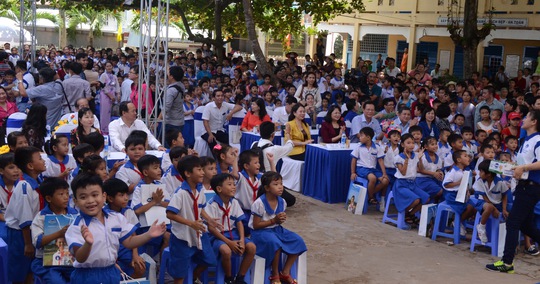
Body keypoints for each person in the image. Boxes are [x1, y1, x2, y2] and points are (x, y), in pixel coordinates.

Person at [65, 173, 166, 283]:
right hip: (87, 276)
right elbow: (80, 257)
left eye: (94, 195)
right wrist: (88, 244)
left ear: (103, 196)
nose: (90, 201)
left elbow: (129, 241)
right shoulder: (76, 226)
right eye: (83, 197)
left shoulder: (116, 218)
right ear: (75, 201)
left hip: (111, 271)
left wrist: (148, 235)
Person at [486, 109, 540, 273]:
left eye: (527, 116)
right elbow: (523, 165)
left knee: (513, 222)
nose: (523, 119)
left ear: (534, 121)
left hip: (531, 186)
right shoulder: (526, 140)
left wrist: (523, 167)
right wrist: (511, 170)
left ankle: (507, 262)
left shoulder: (538, 139)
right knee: (525, 224)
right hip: (524, 184)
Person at [165, 155, 220, 284]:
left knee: (210, 260)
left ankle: (194, 278)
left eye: (202, 169)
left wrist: (209, 220)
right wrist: (191, 223)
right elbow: (170, 214)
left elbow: (200, 208)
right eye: (199, 170)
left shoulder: (199, 190)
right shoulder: (180, 193)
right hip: (182, 237)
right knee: (180, 273)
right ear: (188, 173)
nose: (203, 173)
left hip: (199, 234)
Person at [249, 171, 307, 284]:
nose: (280, 187)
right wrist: (273, 220)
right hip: (261, 232)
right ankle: (275, 274)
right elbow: (256, 225)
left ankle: (285, 272)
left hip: (276, 230)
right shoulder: (259, 203)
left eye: (281, 183)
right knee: (275, 243)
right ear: (267, 188)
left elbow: (278, 221)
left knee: (298, 241)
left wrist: (280, 219)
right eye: (276, 184)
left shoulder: (282, 202)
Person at [4, 146, 46, 283]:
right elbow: (25, 217)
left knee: (30, 269)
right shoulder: (24, 186)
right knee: (20, 269)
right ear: (30, 165)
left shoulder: (38, 181)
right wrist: (28, 243)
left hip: (31, 232)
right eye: (40, 158)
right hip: (21, 234)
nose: (43, 160)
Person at [207, 173, 256, 284]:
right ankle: (228, 278)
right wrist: (229, 242)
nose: (234, 187)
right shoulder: (212, 205)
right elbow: (212, 229)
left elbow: (239, 222)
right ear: (219, 189)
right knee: (226, 251)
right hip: (217, 237)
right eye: (229, 184)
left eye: (234, 184)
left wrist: (242, 240)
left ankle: (240, 277)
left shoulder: (234, 202)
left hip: (234, 234)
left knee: (251, 247)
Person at [30, 178, 77, 283]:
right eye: (61, 194)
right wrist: (59, 233)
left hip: (71, 261)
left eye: (66, 193)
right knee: (56, 281)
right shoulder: (41, 217)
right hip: (47, 263)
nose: (66, 197)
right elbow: (37, 242)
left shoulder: (74, 214)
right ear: (49, 198)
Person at [103, 178, 145, 278]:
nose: (126, 198)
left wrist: (135, 255)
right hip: (109, 248)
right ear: (110, 198)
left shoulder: (128, 211)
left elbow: (133, 235)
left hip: (126, 247)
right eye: (121, 195)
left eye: (126, 194)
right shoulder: (103, 213)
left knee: (140, 267)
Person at [131, 155, 170, 256]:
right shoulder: (139, 188)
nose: (159, 170)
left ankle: (162, 266)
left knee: (169, 236)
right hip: (145, 225)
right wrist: (153, 202)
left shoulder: (159, 185)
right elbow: (137, 210)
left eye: (159, 167)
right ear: (145, 172)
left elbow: (169, 204)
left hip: (161, 220)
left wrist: (159, 202)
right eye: (155, 168)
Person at [392, 134, 430, 225]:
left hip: (412, 184)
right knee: (415, 200)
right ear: (402, 145)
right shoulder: (398, 157)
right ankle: (403, 214)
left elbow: (421, 169)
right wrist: (406, 160)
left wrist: (420, 159)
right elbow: (403, 172)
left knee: (426, 198)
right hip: (401, 184)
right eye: (408, 143)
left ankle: (409, 214)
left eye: (413, 143)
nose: (411, 145)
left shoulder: (415, 155)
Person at [350, 127, 389, 206]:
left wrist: (384, 173)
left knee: (386, 180)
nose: (359, 138)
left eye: (361, 136)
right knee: (372, 178)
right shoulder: (358, 147)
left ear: (368, 137)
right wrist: (353, 172)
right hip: (362, 169)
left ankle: (368, 194)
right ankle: (371, 197)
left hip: (373, 169)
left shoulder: (377, 147)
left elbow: (380, 161)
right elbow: (353, 160)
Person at [442, 150, 477, 238]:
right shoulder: (453, 171)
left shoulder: (463, 171)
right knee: (469, 207)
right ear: (458, 160)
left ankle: (460, 221)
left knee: (475, 208)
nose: (468, 158)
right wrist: (459, 183)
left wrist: (467, 191)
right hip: (452, 196)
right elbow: (446, 184)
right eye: (465, 156)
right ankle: (457, 222)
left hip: (461, 194)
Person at [416, 137, 444, 202]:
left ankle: (433, 203)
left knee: (445, 189)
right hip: (422, 180)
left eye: (436, 144)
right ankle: (427, 200)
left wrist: (440, 172)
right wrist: (433, 173)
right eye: (432, 144)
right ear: (426, 147)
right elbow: (420, 170)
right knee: (439, 191)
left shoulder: (438, 158)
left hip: (432, 179)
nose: (435, 146)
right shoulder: (422, 156)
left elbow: (438, 169)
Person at [99, 61, 120, 134]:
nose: (109, 67)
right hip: (105, 95)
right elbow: (102, 87)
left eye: (110, 66)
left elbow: (117, 86)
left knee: (112, 112)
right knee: (105, 112)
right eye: (107, 66)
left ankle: (112, 129)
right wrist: (109, 95)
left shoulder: (114, 76)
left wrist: (118, 94)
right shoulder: (103, 75)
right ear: (105, 67)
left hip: (113, 95)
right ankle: (104, 130)